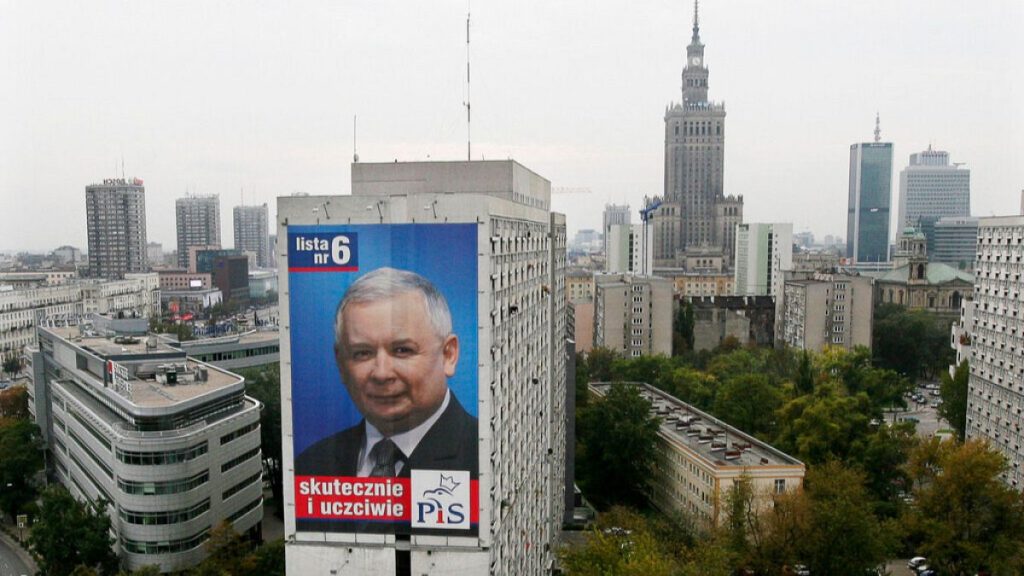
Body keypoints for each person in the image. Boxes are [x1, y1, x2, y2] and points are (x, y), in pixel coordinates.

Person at [295, 267, 478, 479]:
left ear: (448, 355)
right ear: (341, 363)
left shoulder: (481, 458)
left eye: (402, 350)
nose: (381, 374)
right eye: (362, 353)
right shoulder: (311, 466)